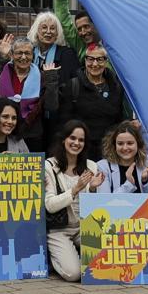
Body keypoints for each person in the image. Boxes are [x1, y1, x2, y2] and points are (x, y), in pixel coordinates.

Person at [43, 121, 103, 282]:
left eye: (81, 140)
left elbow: (97, 208)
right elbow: (49, 205)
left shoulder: (91, 165)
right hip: (59, 228)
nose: (76, 143)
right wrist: (76, 189)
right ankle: (54, 257)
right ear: (63, 139)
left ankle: (76, 253)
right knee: (73, 274)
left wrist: (92, 189)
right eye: (72, 138)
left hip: (84, 226)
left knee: (105, 265)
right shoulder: (49, 166)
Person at [0, 38, 60, 151]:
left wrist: (51, 78)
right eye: (19, 53)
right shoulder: (1, 75)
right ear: (12, 54)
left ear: (33, 56)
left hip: (32, 135)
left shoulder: (42, 77)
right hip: (4, 134)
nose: (24, 57)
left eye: (28, 53)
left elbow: (51, 106)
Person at [63, 45, 127, 152]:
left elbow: (118, 119)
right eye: (91, 59)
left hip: (108, 148)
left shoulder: (116, 87)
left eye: (100, 59)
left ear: (106, 62)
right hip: (81, 148)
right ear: (85, 61)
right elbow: (64, 120)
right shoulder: (73, 85)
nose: (95, 64)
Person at [95, 122, 148, 194]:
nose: (125, 148)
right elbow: (104, 201)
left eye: (130, 143)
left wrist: (145, 180)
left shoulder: (146, 161)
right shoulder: (103, 166)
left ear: (138, 144)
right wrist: (129, 184)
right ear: (114, 145)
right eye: (120, 143)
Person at [25, 11, 77, 77]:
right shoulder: (29, 53)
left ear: (57, 33)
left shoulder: (67, 54)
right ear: (37, 31)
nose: (48, 31)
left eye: (52, 28)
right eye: (44, 27)